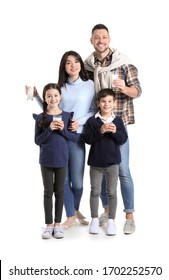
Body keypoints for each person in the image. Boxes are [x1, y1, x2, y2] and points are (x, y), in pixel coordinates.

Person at [28, 50, 96, 229]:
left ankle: (74, 209)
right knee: (63, 181)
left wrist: (78, 122)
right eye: (68, 62)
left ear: (81, 64)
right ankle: (70, 215)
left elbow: (94, 110)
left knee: (78, 182)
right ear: (64, 67)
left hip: (76, 136)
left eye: (76, 61)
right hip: (57, 138)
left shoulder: (90, 85)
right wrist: (35, 95)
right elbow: (50, 105)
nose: (73, 65)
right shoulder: (61, 86)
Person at [84, 24, 142, 234]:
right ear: (91, 41)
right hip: (98, 124)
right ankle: (108, 213)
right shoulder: (88, 66)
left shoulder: (124, 64)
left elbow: (138, 91)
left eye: (104, 37)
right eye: (97, 37)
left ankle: (129, 216)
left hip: (118, 125)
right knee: (99, 168)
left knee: (123, 171)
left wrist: (124, 88)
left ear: (109, 39)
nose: (101, 40)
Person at [34, 83, 77, 239]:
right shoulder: (41, 117)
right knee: (48, 192)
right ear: (45, 98)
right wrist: (50, 128)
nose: (53, 98)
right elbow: (37, 140)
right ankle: (48, 225)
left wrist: (63, 129)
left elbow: (73, 137)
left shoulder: (67, 115)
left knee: (59, 192)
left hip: (62, 159)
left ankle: (58, 225)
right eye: (49, 96)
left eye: (55, 95)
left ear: (60, 97)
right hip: (46, 160)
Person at [84, 88, 128, 236]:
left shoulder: (118, 121)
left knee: (112, 192)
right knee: (95, 191)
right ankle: (94, 219)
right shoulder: (92, 121)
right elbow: (88, 139)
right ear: (98, 103)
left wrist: (115, 132)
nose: (106, 104)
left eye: (109, 101)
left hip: (113, 164)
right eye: (103, 101)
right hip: (95, 163)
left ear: (114, 103)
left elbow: (123, 139)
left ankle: (111, 221)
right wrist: (100, 131)